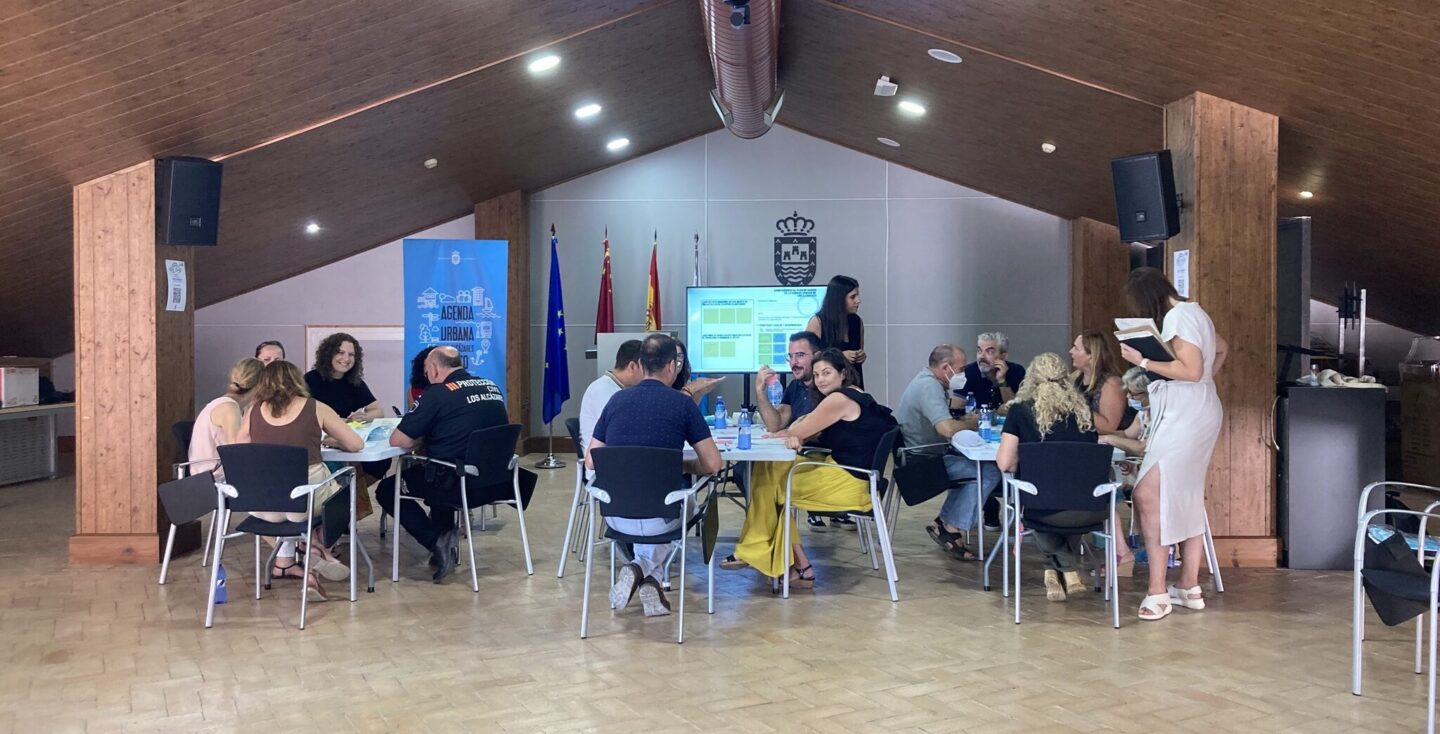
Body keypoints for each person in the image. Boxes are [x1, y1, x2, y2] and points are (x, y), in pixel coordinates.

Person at [720, 348, 897, 587]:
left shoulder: (838, 399)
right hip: (857, 477)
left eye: (827, 373)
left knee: (771, 488)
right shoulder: (856, 394)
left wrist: (793, 432)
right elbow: (809, 430)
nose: (820, 380)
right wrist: (796, 431)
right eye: (816, 375)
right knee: (768, 470)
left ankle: (758, 553)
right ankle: (798, 566)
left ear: (843, 373)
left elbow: (797, 430)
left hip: (848, 484)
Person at [1118, 267, 1228, 621]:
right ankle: (1188, 585)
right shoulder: (1196, 311)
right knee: (1185, 494)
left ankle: (1157, 591)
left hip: (1185, 413)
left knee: (1148, 494)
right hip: (1196, 407)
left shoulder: (1179, 317)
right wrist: (1204, 382)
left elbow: (1191, 371)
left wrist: (1142, 360)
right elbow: (1221, 350)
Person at [587, 334, 723, 617]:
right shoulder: (682, 404)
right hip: (661, 518)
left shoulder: (616, 400)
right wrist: (683, 466)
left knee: (652, 502)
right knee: (685, 504)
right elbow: (713, 464)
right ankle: (641, 568)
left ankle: (650, 581)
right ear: (672, 366)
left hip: (614, 514)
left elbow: (591, 459)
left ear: (640, 363)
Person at [377, 347, 531, 583]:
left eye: (426, 371)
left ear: (434, 368)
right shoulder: (490, 387)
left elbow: (399, 440)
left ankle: (436, 540)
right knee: (444, 465)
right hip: (496, 482)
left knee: (388, 489)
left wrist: (423, 435)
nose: (426, 376)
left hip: (457, 486)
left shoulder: (437, 394)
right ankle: (443, 549)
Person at [237, 360, 364, 600]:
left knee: (311, 504)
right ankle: (317, 552)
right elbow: (356, 444)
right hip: (305, 501)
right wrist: (333, 441)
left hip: (264, 504)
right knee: (340, 494)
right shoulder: (315, 407)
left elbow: (238, 449)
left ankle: (312, 561)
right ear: (297, 381)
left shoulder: (253, 411)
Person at [995, 352, 1102, 602]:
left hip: (1042, 509)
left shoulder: (1020, 411)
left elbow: (1005, 463)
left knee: (1036, 496)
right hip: (1088, 507)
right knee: (1059, 496)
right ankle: (1057, 573)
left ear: (1031, 378)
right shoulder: (1084, 410)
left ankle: (1066, 568)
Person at [895, 344, 1001, 560]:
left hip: (925, 453)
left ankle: (945, 522)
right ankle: (950, 526)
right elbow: (946, 429)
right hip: (921, 461)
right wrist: (973, 422)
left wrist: (963, 421)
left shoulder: (929, 381)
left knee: (978, 467)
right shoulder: (928, 387)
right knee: (989, 472)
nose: (963, 374)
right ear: (945, 367)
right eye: (960, 369)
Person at [189, 358, 264, 481]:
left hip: (213, 478)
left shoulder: (227, 405)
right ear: (260, 385)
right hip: (214, 482)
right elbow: (236, 453)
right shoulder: (229, 408)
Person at [578, 339, 643, 451]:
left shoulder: (620, 388)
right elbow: (619, 431)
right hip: (601, 457)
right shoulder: (602, 390)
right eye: (646, 368)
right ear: (632, 367)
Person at [304, 332, 383, 422]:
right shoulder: (310, 379)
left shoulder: (354, 382)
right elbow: (301, 413)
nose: (346, 359)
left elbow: (378, 411)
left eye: (351, 354)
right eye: (341, 353)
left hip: (340, 429)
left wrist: (361, 418)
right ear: (328, 354)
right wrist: (343, 421)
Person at [754, 331, 821, 433]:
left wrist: (789, 432)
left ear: (817, 356)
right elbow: (775, 425)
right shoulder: (795, 386)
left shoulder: (825, 386)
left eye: (800, 355)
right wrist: (760, 391)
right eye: (790, 356)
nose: (793, 362)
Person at [805, 275, 865, 388]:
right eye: (852, 297)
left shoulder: (857, 321)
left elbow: (859, 349)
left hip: (854, 384)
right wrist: (839, 357)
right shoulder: (818, 322)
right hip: (826, 388)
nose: (858, 300)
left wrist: (861, 356)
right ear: (839, 299)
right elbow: (808, 359)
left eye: (857, 295)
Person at [1070, 330, 1127, 434]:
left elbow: (1109, 427)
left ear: (1091, 355)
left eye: (1076, 348)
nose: (1071, 351)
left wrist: (1076, 406)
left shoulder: (1112, 384)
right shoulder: (1075, 378)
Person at [956, 331, 1025, 409]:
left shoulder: (1017, 371)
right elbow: (957, 409)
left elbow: (1018, 410)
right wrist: (993, 413)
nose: (982, 356)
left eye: (990, 352)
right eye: (979, 351)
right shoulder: (967, 372)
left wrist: (1002, 382)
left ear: (1003, 357)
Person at [670, 340, 724, 405]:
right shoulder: (661, 389)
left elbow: (687, 410)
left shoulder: (683, 381)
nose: (677, 360)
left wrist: (699, 393)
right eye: (673, 356)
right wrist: (688, 390)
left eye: (680, 356)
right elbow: (675, 409)